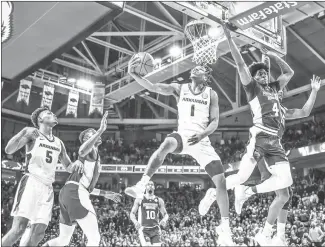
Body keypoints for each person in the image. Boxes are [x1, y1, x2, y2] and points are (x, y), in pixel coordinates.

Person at [125, 56, 234, 244]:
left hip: (201, 140)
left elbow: (215, 121)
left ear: (206, 76)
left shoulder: (211, 94)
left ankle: (225, 226)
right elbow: (153, 87)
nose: (195, 69)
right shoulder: (179, 88)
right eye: (195, 68)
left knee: (221, 181)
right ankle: (141, 185)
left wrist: (202, 135)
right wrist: (134, 74)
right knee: (166, 144)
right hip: (183, 135)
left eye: (200, 69)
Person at [220, 22, 295, 245]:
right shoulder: (252, 87)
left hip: (276, 141)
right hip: (261, 135)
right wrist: (229, 38)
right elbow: (241, 65)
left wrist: (271, 55)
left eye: (264, 73)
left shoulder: (274, 89)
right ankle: (220, 192)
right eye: (259, 74)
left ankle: (248, 192)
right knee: (242, 175)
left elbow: (289, 72)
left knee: (286, 182)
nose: (263, 75)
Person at [2, 107, 84, 247]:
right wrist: (23, 132)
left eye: (52, 112)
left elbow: (68, 167)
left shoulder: (59, 143)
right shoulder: (31, 134)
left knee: (38, 233)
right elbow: (8, 150)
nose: (53, 114)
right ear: (40, 120)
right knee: (19, 229)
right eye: (48, 114)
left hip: (47, 188)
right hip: (31, 182)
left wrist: (78, 162)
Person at [43, 112, 121, 247]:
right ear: (87, 139)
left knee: (63, 240)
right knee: (94, 239)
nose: (96, 133)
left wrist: (105, 193)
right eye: (91, 133)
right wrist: (101, 130)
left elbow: (85, 186)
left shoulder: (94, 157)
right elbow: (81, 151)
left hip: (69, 192)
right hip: (76, 192)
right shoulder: (91, 151)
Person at [130, 181, 168, 247]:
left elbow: (166, 214)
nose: (150, 186)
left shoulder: (159, 200)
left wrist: (164, 220)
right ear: (145, 187)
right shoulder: (140, 199)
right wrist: (135, 222)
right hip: (144, 229)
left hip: (155, 229)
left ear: (154, 187)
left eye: (152, 184)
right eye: (148, 184)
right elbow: (132, 213)